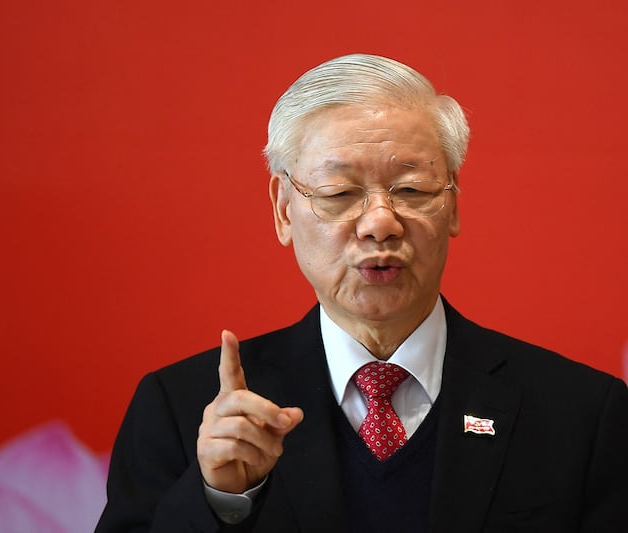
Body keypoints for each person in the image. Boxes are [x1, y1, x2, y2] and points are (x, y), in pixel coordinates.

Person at [95, 54, 628, 532]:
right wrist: (221, 500)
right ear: (283, 209)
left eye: (412, 190)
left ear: (455, 204)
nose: (380, 223)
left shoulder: (581, 414)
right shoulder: (184, 408)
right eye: (340, 193)